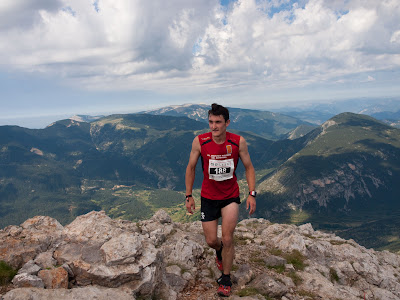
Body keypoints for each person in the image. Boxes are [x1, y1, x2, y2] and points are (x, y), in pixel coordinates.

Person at [185, 103, 256, 297]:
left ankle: (225, 278)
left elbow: (249, 167)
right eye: (211, 122)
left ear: (227, 123)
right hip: (208, 197)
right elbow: (190, 168)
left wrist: (251, 193)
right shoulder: (200, 141)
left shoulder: (237, 142)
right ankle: (219, 252)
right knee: (211, 241)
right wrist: (189, 195)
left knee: (227, 237)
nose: (214, 126)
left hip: (230, 196)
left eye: (218, 122)